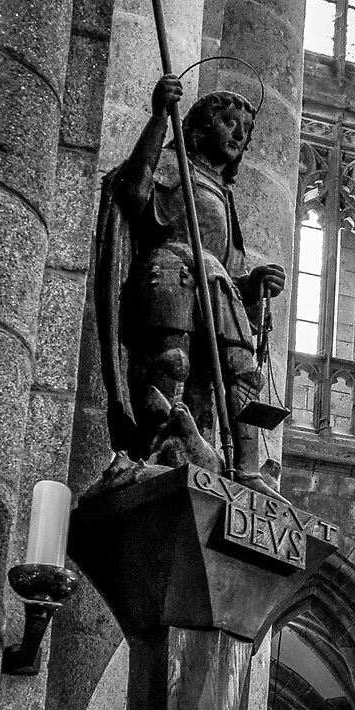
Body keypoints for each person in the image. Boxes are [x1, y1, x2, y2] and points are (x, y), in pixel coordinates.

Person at [94, 71, 286, 480]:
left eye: (245, 131)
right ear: (201, 126)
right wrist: (158, 118)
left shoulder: (224, 195)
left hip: (217, 285)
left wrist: (253, 285)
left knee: (242, 373)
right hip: (169, 273)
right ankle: (155, 453)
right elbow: (132, 195)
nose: (238, 135)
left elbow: (232, 270)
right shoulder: (168, 162)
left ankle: (245, 469)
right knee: (171, 363)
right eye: (229, 122)